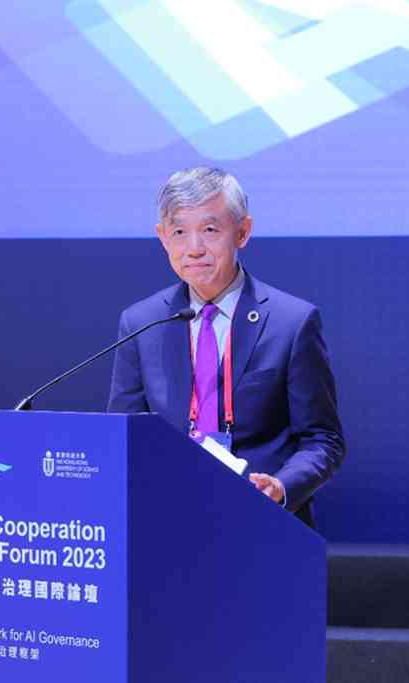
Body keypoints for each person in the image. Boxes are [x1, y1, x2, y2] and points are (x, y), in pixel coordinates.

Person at [107, 167, 345, 528]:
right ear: (162, 238)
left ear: (243, 232)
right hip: (168, 519)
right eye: (179, 232)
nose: (194, 249)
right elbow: (124, 436)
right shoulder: (141, 323)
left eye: (210, 230)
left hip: (262, 521)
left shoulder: (292, 322)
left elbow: (323, 440)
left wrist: (282, 487)